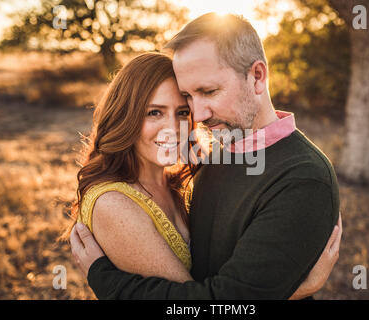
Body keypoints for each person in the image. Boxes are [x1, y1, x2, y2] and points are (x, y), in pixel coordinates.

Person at [70, 13, 342, 300]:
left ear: (258, 77)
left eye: (209, 91)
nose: (197, 116)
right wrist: (298, 290)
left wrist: (107, 281)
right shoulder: (218, 157)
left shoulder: (302, 178)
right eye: (189, 97)